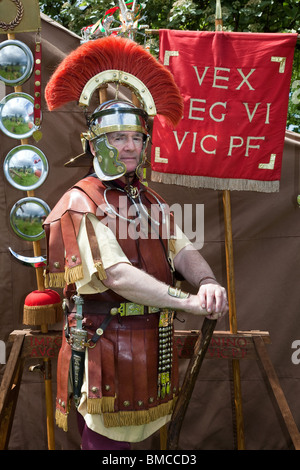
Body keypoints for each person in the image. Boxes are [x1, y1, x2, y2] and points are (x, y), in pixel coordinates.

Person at [43, 36, 228, 451]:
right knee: (106, 447)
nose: (130, 147)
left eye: (136, 138)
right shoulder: (79, 202)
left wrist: (208, 282)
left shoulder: (149, 200)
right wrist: (186, 303)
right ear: (93, 143)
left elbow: (180, 249)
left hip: (151, 344)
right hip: (104, 346)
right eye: (117, 138)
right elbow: (116, 275)